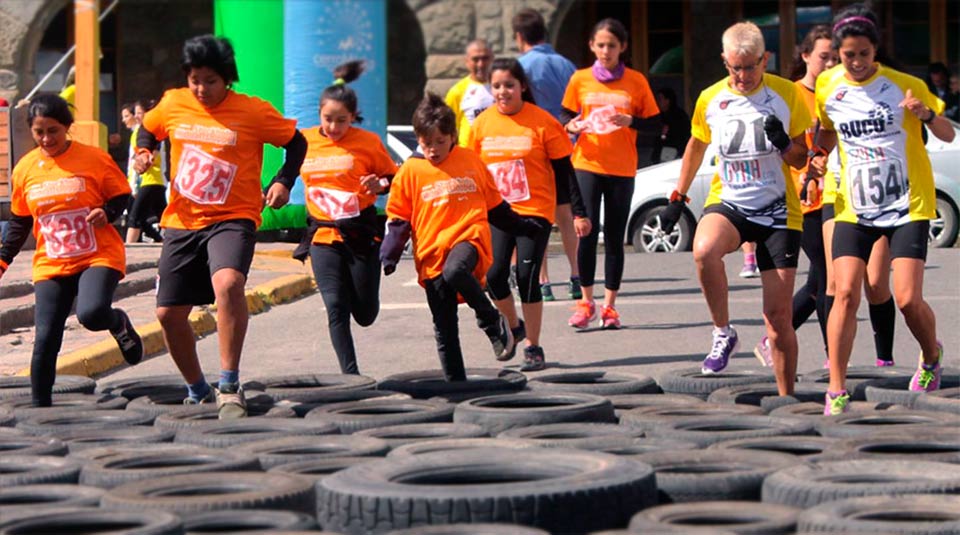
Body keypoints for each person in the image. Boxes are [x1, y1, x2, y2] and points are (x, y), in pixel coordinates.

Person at [133, 35, 307, 418]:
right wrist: (143, 151)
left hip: (233, 217)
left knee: (228, 284)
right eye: (195, 79)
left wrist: (283, 181)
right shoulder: (174, 102)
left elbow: (296, 144)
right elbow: (148, 128)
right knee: (168, 315)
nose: (201, 89)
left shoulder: (253, 111)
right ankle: (197, 388)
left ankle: (229, 384)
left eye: (210, 81)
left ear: (227, 78)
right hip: (181, 221)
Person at [812, 4, 954, 414]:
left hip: (907, 205)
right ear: (838, 52)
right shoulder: (827, 86)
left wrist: (925, 114)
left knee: (907, 299)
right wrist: (820, 154)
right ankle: (836, 389)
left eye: (863, 54)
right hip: (855, 208)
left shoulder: (904, 85)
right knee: (843, 295)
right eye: (848, 55)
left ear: (876, 51)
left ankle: (930, 357)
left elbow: (945, 133)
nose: (856, 63)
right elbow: (825, 128)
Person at [659, 21, 811, 395]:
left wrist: (784, 145)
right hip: (731, 202)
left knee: (777, 320)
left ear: (766, 59)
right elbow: (696, 146)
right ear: (725, 61)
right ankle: (723, 332)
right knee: (704, 250)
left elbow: (800, 158)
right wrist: (678, 195)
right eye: (735, 67)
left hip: (778, 211)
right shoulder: (711, 98)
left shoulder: (787, 94)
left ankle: (785, 397)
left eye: (751, 66)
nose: (743, 75)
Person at [380, 93, 545, 381]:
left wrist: (525, 226)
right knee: (444, 328)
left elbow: (496, 208)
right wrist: (389, 254)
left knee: (456, 269)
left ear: (453, 135)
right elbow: (398, 218)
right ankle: (456, 388)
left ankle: (492, 321)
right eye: (425, 143)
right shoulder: (410, 171)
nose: (432, 150)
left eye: (439, 142)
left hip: (469, 238)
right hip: (431, 253)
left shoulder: (470, 160)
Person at [0, 94, 143, 407]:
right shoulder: (25, 169)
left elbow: (122, 196)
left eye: (53, 130)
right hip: (51, 262)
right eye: (39, 132)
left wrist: (107, 211)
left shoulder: (93, 158)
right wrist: (2, 260)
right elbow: (20, 223)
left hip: (97, 255)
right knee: (46, 337)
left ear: (67, 127)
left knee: (91, 314)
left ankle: (117, 323)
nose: (46, 138)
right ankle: (40, 408)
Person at [468, 58, 591, 371]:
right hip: (497, 212)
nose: (503, 92)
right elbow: (470, 170)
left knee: (526, 278)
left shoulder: (542, 122)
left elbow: (565, 171)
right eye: (496, 86)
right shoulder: (481, 124)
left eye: (509, 85)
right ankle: (514, 325)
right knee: (493, 276)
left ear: (522, 86)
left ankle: (534, 347)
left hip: (533, 213)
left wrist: (579, 212)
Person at [299, 61, 397, 375]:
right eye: (328, 119)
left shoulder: (368, 143)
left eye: (342, 120)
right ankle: (350, 375)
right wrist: (276, 185)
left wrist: (379, 184)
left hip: (360, 234)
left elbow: (392, 178)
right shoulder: (304, 141)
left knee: (365, 313)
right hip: (322, 236)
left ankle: (365, 301)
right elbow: (286, 171)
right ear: (319, 115)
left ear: (353, 118)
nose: (334, 127)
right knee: (335, 306)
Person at [561, 18, 660, 330]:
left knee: (615, 239)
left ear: (623, 48)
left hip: (621, 168)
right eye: (600, 45)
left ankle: (610, 307)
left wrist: (631, 121)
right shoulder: (579, 79)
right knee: (586, 234)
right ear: (592, 46)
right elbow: (565, 114)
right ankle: (585, 302)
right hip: (587, 165)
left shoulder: (636, 81)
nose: (606, 51)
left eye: (612, 46)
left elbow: (655, 123)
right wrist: (571, 124)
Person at [753, 25, 838, 366]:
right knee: (826, 277)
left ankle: (772, 338)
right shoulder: (790, 94)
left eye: (835, 57)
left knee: (822, 281)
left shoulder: (839, 93)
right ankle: (834, 355)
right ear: (805, 57)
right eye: (823, 57)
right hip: (799, 198)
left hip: (834, 194)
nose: (831, 63)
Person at [511, 7, 583, 302]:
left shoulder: (520, 66)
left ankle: (542, 281)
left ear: (519, 37)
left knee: (535, 214)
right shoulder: (566, 64)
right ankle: (576, 276)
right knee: (565, 215)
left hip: (532, 148)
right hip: (565, 145)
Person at [126, 100, 167, 244]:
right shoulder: (137, 132)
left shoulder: (155, 133)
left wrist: (145, 159)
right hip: (143, 181)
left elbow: (152, 156)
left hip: (152, 180)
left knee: (134, 218)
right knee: (163, 217)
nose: (136, 116)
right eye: (135, 113)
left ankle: (128, 249)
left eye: (139, 113)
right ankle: (163, 240)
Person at [445, 39, 495, 147]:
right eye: (475, 59)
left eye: (485, 58)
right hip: (469, 156)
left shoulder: (502, 88)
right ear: (467, 61)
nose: (481, 64)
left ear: (492, 59)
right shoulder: (457, 91)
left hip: (497, 154)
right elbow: (447, 130)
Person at [650, 87, 691, 164]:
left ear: (667, 100)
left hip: (674, 151)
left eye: (660, 99)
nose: (657, 102)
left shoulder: (679, 115)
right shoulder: (659, 115)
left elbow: (683, 134)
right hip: (659, 151)